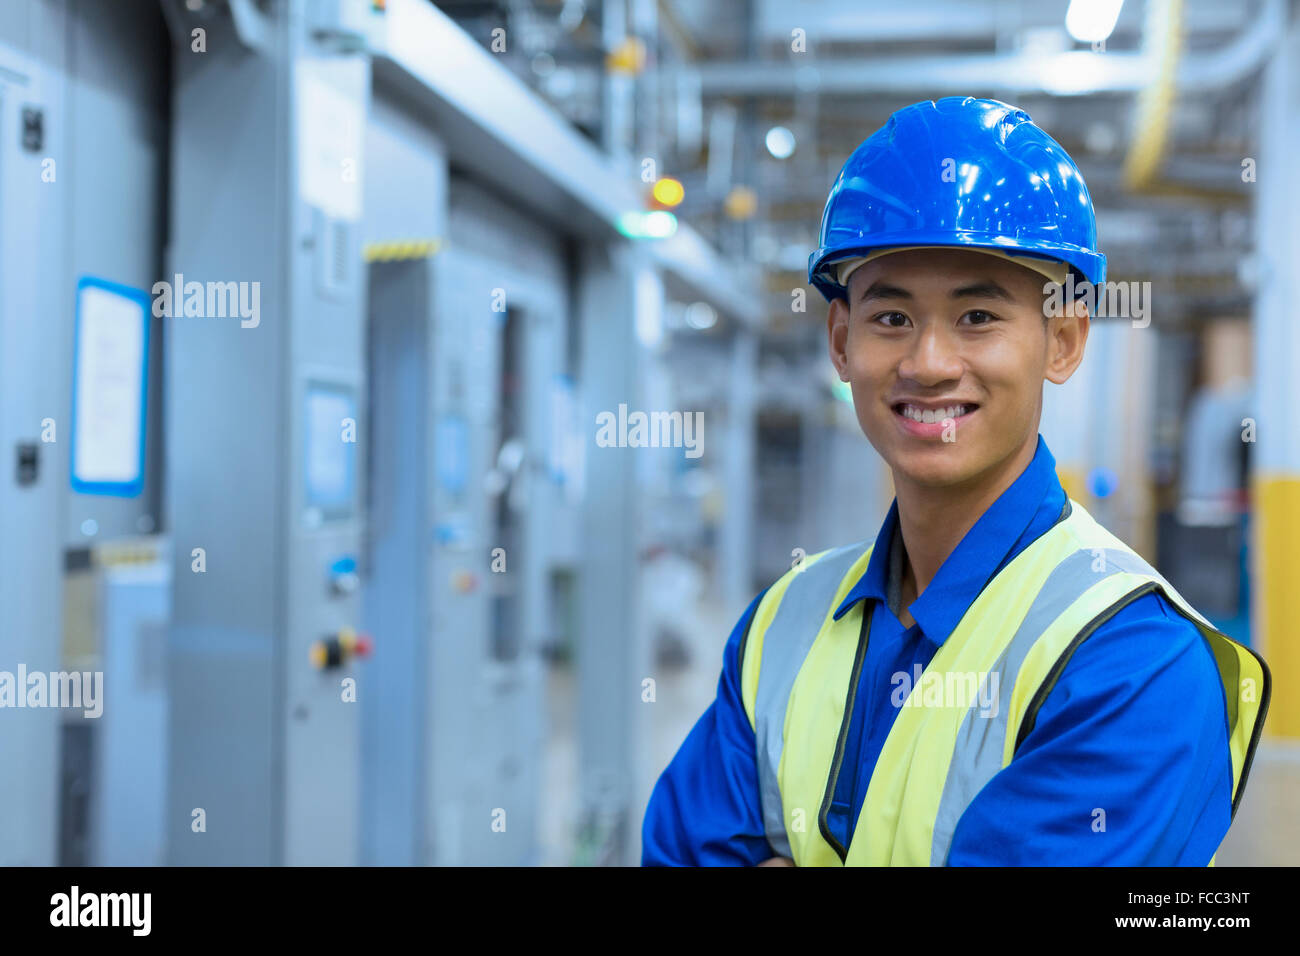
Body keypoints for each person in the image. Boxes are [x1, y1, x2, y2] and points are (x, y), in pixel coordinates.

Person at [640, 96, 1269, 867]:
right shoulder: (781, 624)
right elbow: (676, 852)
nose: (929, 363)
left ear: (1064, 341)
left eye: (977, 316)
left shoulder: (1133, 664)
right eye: (891, 319)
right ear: (842, 343)